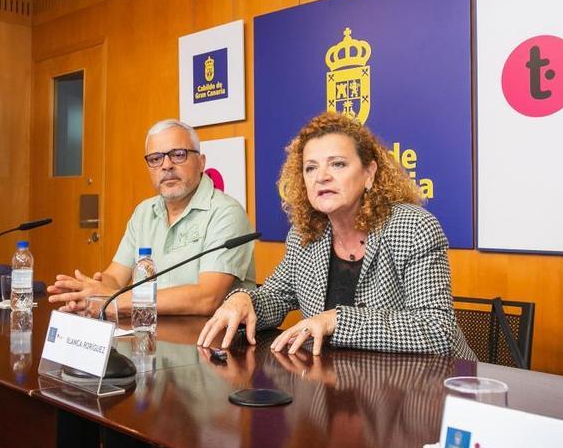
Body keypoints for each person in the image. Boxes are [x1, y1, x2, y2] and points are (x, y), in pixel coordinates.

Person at [197, 112, 476, 360]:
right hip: (344, 385)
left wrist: (336, 320)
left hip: (426, 390)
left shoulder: (413, 227)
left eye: (338, 164)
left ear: (369, 173)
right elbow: (277, 296)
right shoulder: (305, 234)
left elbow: (437, 331)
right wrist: (244, 300)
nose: (322, 177)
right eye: (311, 167)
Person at [48, 119, 256, 317]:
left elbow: (206, 298)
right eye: (156, 159)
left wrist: (115, 301)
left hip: (213, 345)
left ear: (201, 162)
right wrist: (90, 292)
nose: (166, 166)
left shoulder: (226, 212)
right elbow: (115, 277)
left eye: (178, 154)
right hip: (151, 337)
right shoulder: (144, 212)